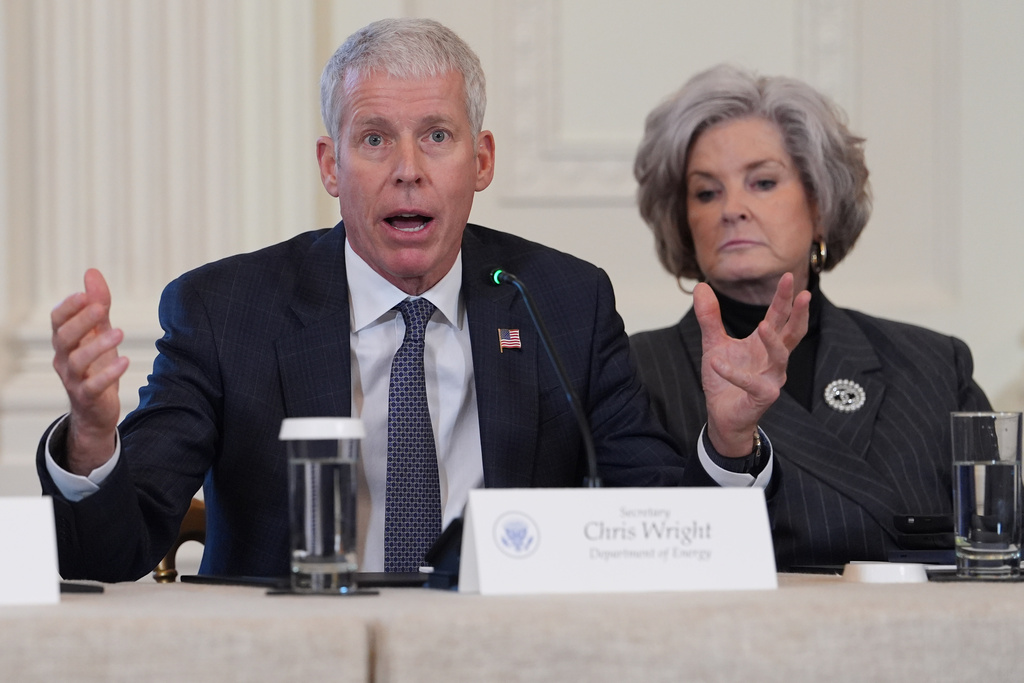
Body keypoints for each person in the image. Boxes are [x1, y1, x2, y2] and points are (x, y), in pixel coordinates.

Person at [40, 21, 806, 582]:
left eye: (436, 136)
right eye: (374, 139)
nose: (408, 169)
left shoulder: (563, 301)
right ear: (330, 166)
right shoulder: (224, 309)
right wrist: (91, 439)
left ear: (481, 160)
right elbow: (112, 554)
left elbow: (671, 540)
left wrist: (730, 441)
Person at [630, 64, 991, 570]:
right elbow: (640, 560)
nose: (731, 208)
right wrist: (727, 448)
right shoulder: (631, 370)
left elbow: (1001, 547)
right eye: (706, 192)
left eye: (762, 182)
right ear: (683, 223)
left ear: (820, 206)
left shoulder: (934, 365)